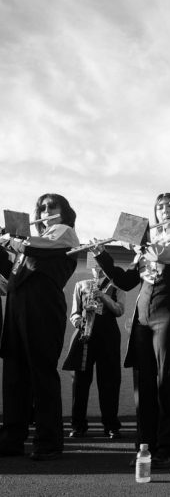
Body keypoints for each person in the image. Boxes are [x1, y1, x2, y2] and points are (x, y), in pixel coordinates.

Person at [90, 193, 170, 468]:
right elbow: (127, 282)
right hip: (143, 318)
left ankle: (169, 446)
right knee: (144, 386)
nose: (164, 210)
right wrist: (102, 255)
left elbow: (166, 255)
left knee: (169, 382)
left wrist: (140, 241)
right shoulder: (149, 245)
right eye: (159, 206)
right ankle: (146, 445)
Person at [0, 194, 79, 460]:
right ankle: (12, 439)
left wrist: (12, 240)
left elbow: (38, 248)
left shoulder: (64, 233)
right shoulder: (30, 245)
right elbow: (11, 273)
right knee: (14, 376)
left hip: (42, 308)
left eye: (51, 207)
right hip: (17, 308)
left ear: (64, 211)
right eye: (42, 208)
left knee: (41, 375)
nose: (46, 211)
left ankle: (48, 442)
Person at [62, 260, 126, 439]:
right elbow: (74, 313)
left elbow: (120, 311)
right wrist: (80, 322)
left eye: (100, 265)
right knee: (80, 382)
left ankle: (111, 426)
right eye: (94, 265)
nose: (97, 268)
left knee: (109, 381)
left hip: (109, 337)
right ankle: (78, 425)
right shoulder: (81, 284)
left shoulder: (117, 286)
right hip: (85, 336)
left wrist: (103, 296)